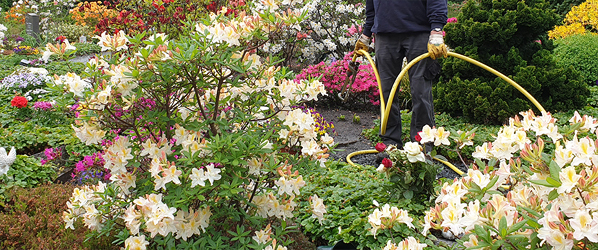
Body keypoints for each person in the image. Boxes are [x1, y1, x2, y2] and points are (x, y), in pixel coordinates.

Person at [354, 0, 448, 150]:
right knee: (387, 92)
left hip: (419, 33)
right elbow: (372, 6)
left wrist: (436, 30)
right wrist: (366, 33)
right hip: (385, 35)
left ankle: (422, 145)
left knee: (420, 91)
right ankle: (390, 142)